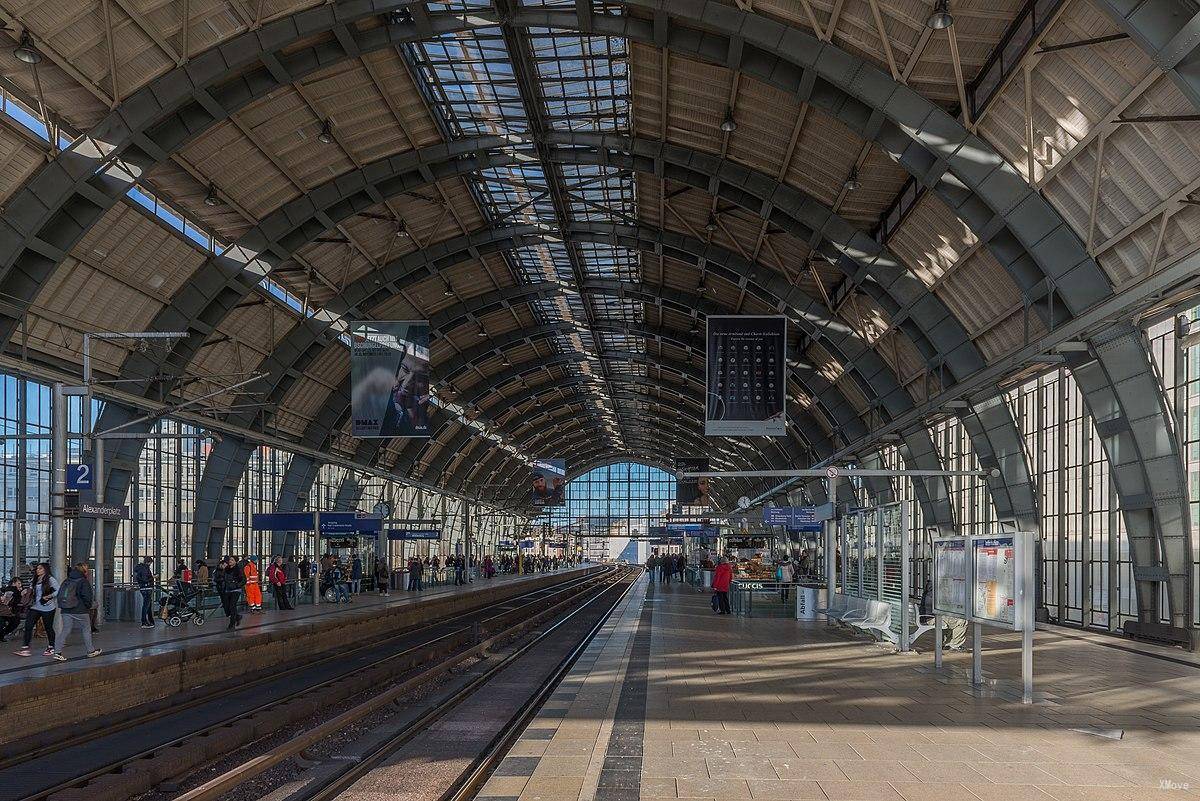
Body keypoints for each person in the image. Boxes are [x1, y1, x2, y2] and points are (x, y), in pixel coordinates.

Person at [53, 562, 101, 661]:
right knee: (86, 629)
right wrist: (88, 607)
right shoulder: (83, 581)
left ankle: (57, 652)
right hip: (80, 610)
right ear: (84, 570)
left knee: (65, 630)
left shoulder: (67, 580)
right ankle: (90, 651)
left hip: (66, 609)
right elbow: (87, 597)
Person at [14, 563, 57, 657]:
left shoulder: (50, 579)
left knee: (48, 627)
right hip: (35, 606)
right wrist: (25, 592)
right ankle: (25, 648)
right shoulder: (35, 579)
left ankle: (51, 646)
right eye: (37, 568)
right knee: (28, 625)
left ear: (45, 569)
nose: (38, 570)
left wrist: (49, 596)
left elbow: (58, 590)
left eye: (40, 568)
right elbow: (31, 590)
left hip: (48, 607)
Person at [918, 580, 967, 651]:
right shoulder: (936, 593)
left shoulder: (930, 591)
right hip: (931, 619)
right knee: (962, 620)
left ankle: (947, 643)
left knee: (952, 619)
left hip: (927, 617)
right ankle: (955, 645)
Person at [214, 556, 244, 630]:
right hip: (227, 590)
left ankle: (232, 624)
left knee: (232, 606)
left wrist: (236, 585)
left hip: (235, 590)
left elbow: (244, 580)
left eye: (232, 560)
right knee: (226, 607)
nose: (230, 561)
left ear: (235, 561)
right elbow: (222, 578)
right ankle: (237, 616)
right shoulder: (226, 569)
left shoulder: (239, 569)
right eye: (230, 560)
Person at [133, 556, 156, 629]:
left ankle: (150, 621)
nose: (150, 564)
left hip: (143, 588)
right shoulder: (145, 568)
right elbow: (145, 579)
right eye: (150, 563)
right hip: (147, 588)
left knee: (148, 605)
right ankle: (144, 622)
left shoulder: (140, 568)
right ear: (148, 562)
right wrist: (153, 577)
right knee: (146, 606)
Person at [0, 577, 25, 641]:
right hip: (5, 612)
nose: (20, 585)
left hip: (7, 612)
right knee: (14, 621)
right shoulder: (12, 589)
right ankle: (2, 635)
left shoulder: (7, 589)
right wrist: (20, 594)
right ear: (13, 583)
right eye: (18, 583)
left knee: (14, 621)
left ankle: (2, 635)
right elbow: (17, 602)